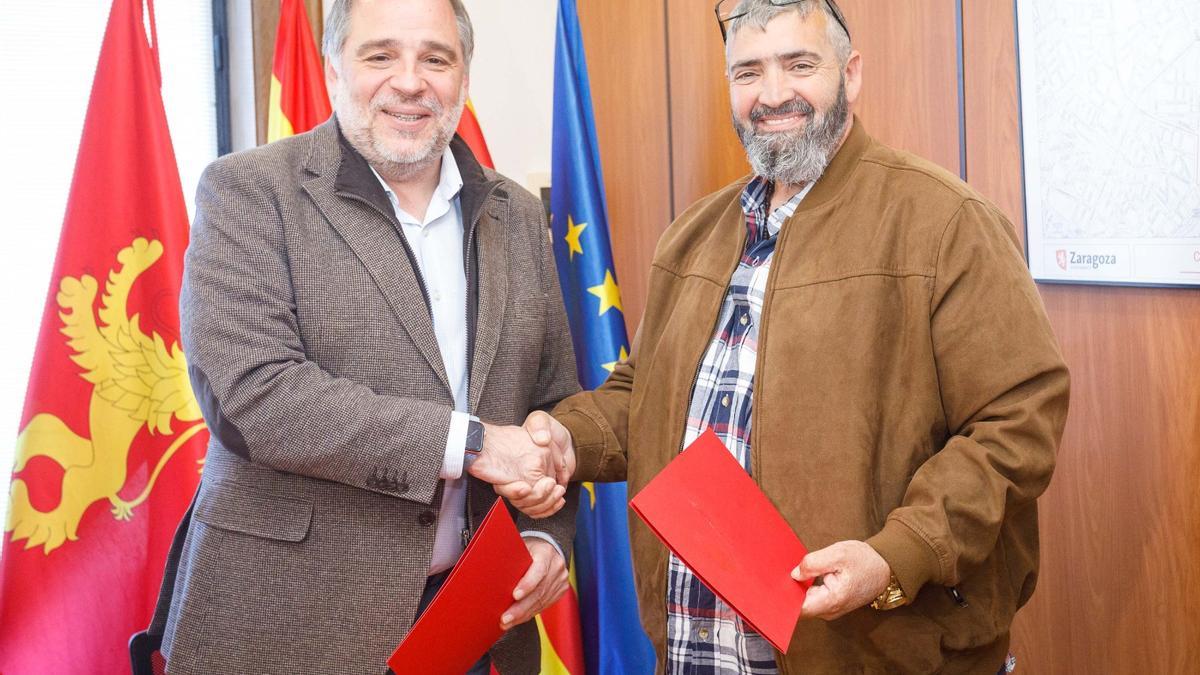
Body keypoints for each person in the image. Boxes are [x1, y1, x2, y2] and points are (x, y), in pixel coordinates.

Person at [518, 0, 1070, 672]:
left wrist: (897, 553)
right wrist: (568, 437)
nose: (773, 93)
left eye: (799, 64)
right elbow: (647, 396)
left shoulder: (946, 223)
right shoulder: (692, 235)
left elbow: (1017, 421)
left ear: (851, 74)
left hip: (874, 654)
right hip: (693, 653)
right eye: (748, 71)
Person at [146, 1, 578, 673]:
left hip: (473, 624)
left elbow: (553, 404)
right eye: (380, 55)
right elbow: (254, 398)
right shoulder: (248, 192)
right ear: (332, 70)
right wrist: (471, 443)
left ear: (463, 76)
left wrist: (544, 537)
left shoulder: (514, 213)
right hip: (289, 628)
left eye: (436, 58)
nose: (410, 81)